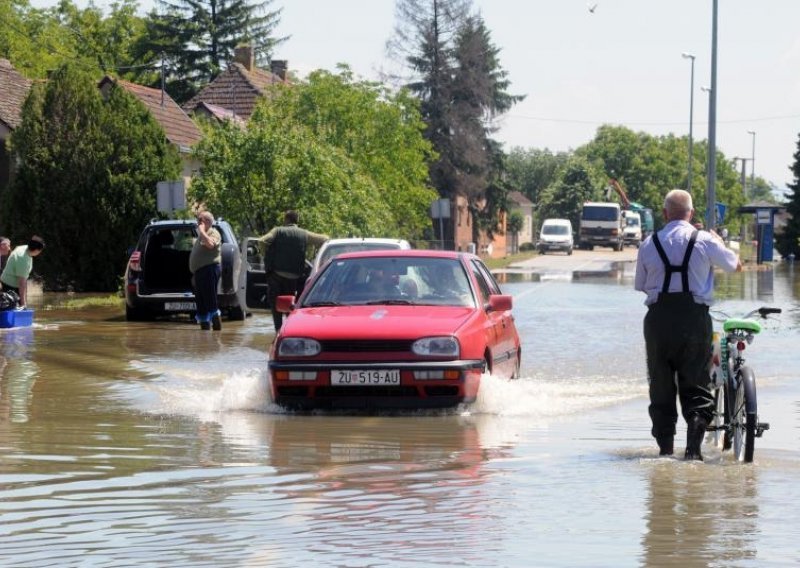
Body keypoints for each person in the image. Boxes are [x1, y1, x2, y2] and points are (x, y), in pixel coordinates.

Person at [634, 189, 742, 460]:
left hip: (658, 321)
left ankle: (665, 451)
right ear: (691, 213)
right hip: (694, 319)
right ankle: (693, 452)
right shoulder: (704, 240)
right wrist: (718, 241)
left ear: (664, 213)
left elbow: (641, 285)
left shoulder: (648, 244)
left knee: (660, 385)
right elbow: (735, 266)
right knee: (696, 384)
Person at [258, 210, 329, 331]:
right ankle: (290, 330)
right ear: (297, 220)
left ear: (286, 219)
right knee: (290, 304)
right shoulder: (303, 234)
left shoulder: (277, 230)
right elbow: (324, 239)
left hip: (275, 274)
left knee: (275, 304)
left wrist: (267, 255)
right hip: (293, 276)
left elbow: (262, 241)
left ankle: (278, 331)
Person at [189, 211, 222, 331]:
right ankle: (205, 339)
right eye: (198, 221)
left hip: (209, 270)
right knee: (202, 306)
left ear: (207, 222)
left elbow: (210, 245)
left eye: (200, 221)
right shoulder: (202, 235)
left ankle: (217, 336)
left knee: (211, 303)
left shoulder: (214, 232)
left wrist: (202, 230)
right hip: (200, 273)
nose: (198, 223)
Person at [0, 236, 45, 309]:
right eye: (40, 250)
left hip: (7, 282)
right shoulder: (23, 259)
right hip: (9, 287)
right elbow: (21, 283)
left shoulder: (24, 248)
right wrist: (23, 304)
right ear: (36, 250)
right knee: (15, 310)